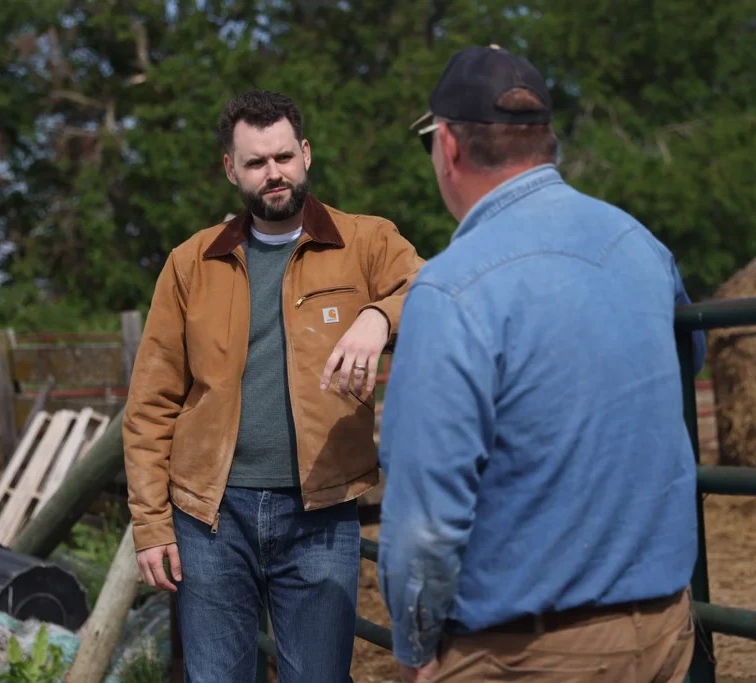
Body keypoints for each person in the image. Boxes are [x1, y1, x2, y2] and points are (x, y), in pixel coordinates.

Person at [377, 45, 706, 683]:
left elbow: (424, 518)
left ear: (448, 147)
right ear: (544, 142)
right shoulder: (640, 245)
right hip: (666, 630)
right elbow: (687, 361)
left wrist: (417, 648)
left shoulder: (451, 290)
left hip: (524, 653)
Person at [123, 89, 422, 683]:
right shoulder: (192, 262)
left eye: (283, 157)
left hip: (321, 509)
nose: (274, 173)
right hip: (210, 516)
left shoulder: (366, 242)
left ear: (306, 154)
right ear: (231, 169)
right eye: (256, 162)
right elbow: (151, 404)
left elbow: (434, 292)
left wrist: (378, 316)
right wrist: (151, 524)